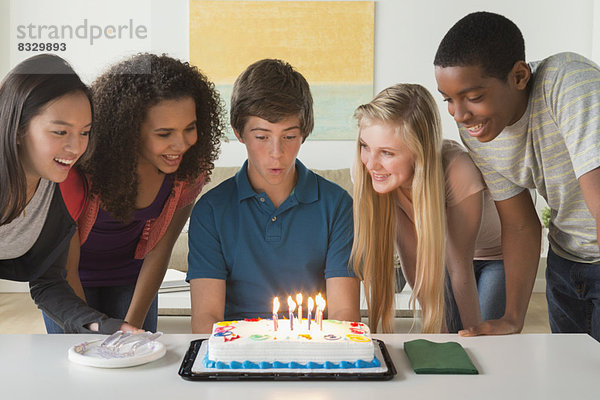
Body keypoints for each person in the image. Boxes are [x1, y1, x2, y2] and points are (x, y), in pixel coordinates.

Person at [434, 11, 600, 341]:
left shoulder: (570, 83)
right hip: (566, 261)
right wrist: (512, 317)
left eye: (474, 97)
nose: (460, 114)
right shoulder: (477, 129)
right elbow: (520, 223)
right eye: (449, 100)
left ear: (519, 76)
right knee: (573, 383)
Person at [42, 53, 225, 333]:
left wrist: (132, 328)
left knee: (136, 367)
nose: (181, 144)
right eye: (164, 134)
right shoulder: (77, 167)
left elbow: (160, 252)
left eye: (189, 128)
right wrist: (87, 332)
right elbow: (66, 267)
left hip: (133, 278)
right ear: (127, 130)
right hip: (70, 279)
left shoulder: (189, 170)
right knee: (80, 366)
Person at [187, 59, 360, 333]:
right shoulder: (211, 210)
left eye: (289, 137)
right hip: (237, 358)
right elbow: (206, 317)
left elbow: (344, 314)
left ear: (304, 133)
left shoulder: (337, 206)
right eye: (262, 137)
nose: (276, 153)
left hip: (315, 354)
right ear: (239, 133)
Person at [351, 83, 504, 333]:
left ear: (419, 151)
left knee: (483, 336)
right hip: (443, 252)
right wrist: (438, 332)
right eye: (365, 146)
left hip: (495, 255)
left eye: (387, 153)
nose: (370, 163)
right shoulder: (372, 174)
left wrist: (475, 340)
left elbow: (459, 267)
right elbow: (413, 260)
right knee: (446, 331)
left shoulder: (457, 170)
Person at [0, 54, 138, 333]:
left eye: (85, 132)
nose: (76, 148)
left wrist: (101, 325)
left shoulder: (65, 190)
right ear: (17, 129)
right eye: (60, 132)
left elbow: (48, 281)